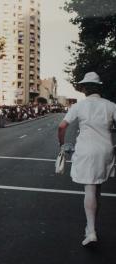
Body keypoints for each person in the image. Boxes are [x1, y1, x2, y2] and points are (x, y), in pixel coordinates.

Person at [58, 71, 116, 247]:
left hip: (86, 150)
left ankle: (91, 231)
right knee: (97, 187)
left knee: (89, 189)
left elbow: (62, 127)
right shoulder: (111, 106)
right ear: (99, 87)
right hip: (106, 150)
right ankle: (90, 225)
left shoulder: (79, 106)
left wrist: (62, 144)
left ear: (84, 89)